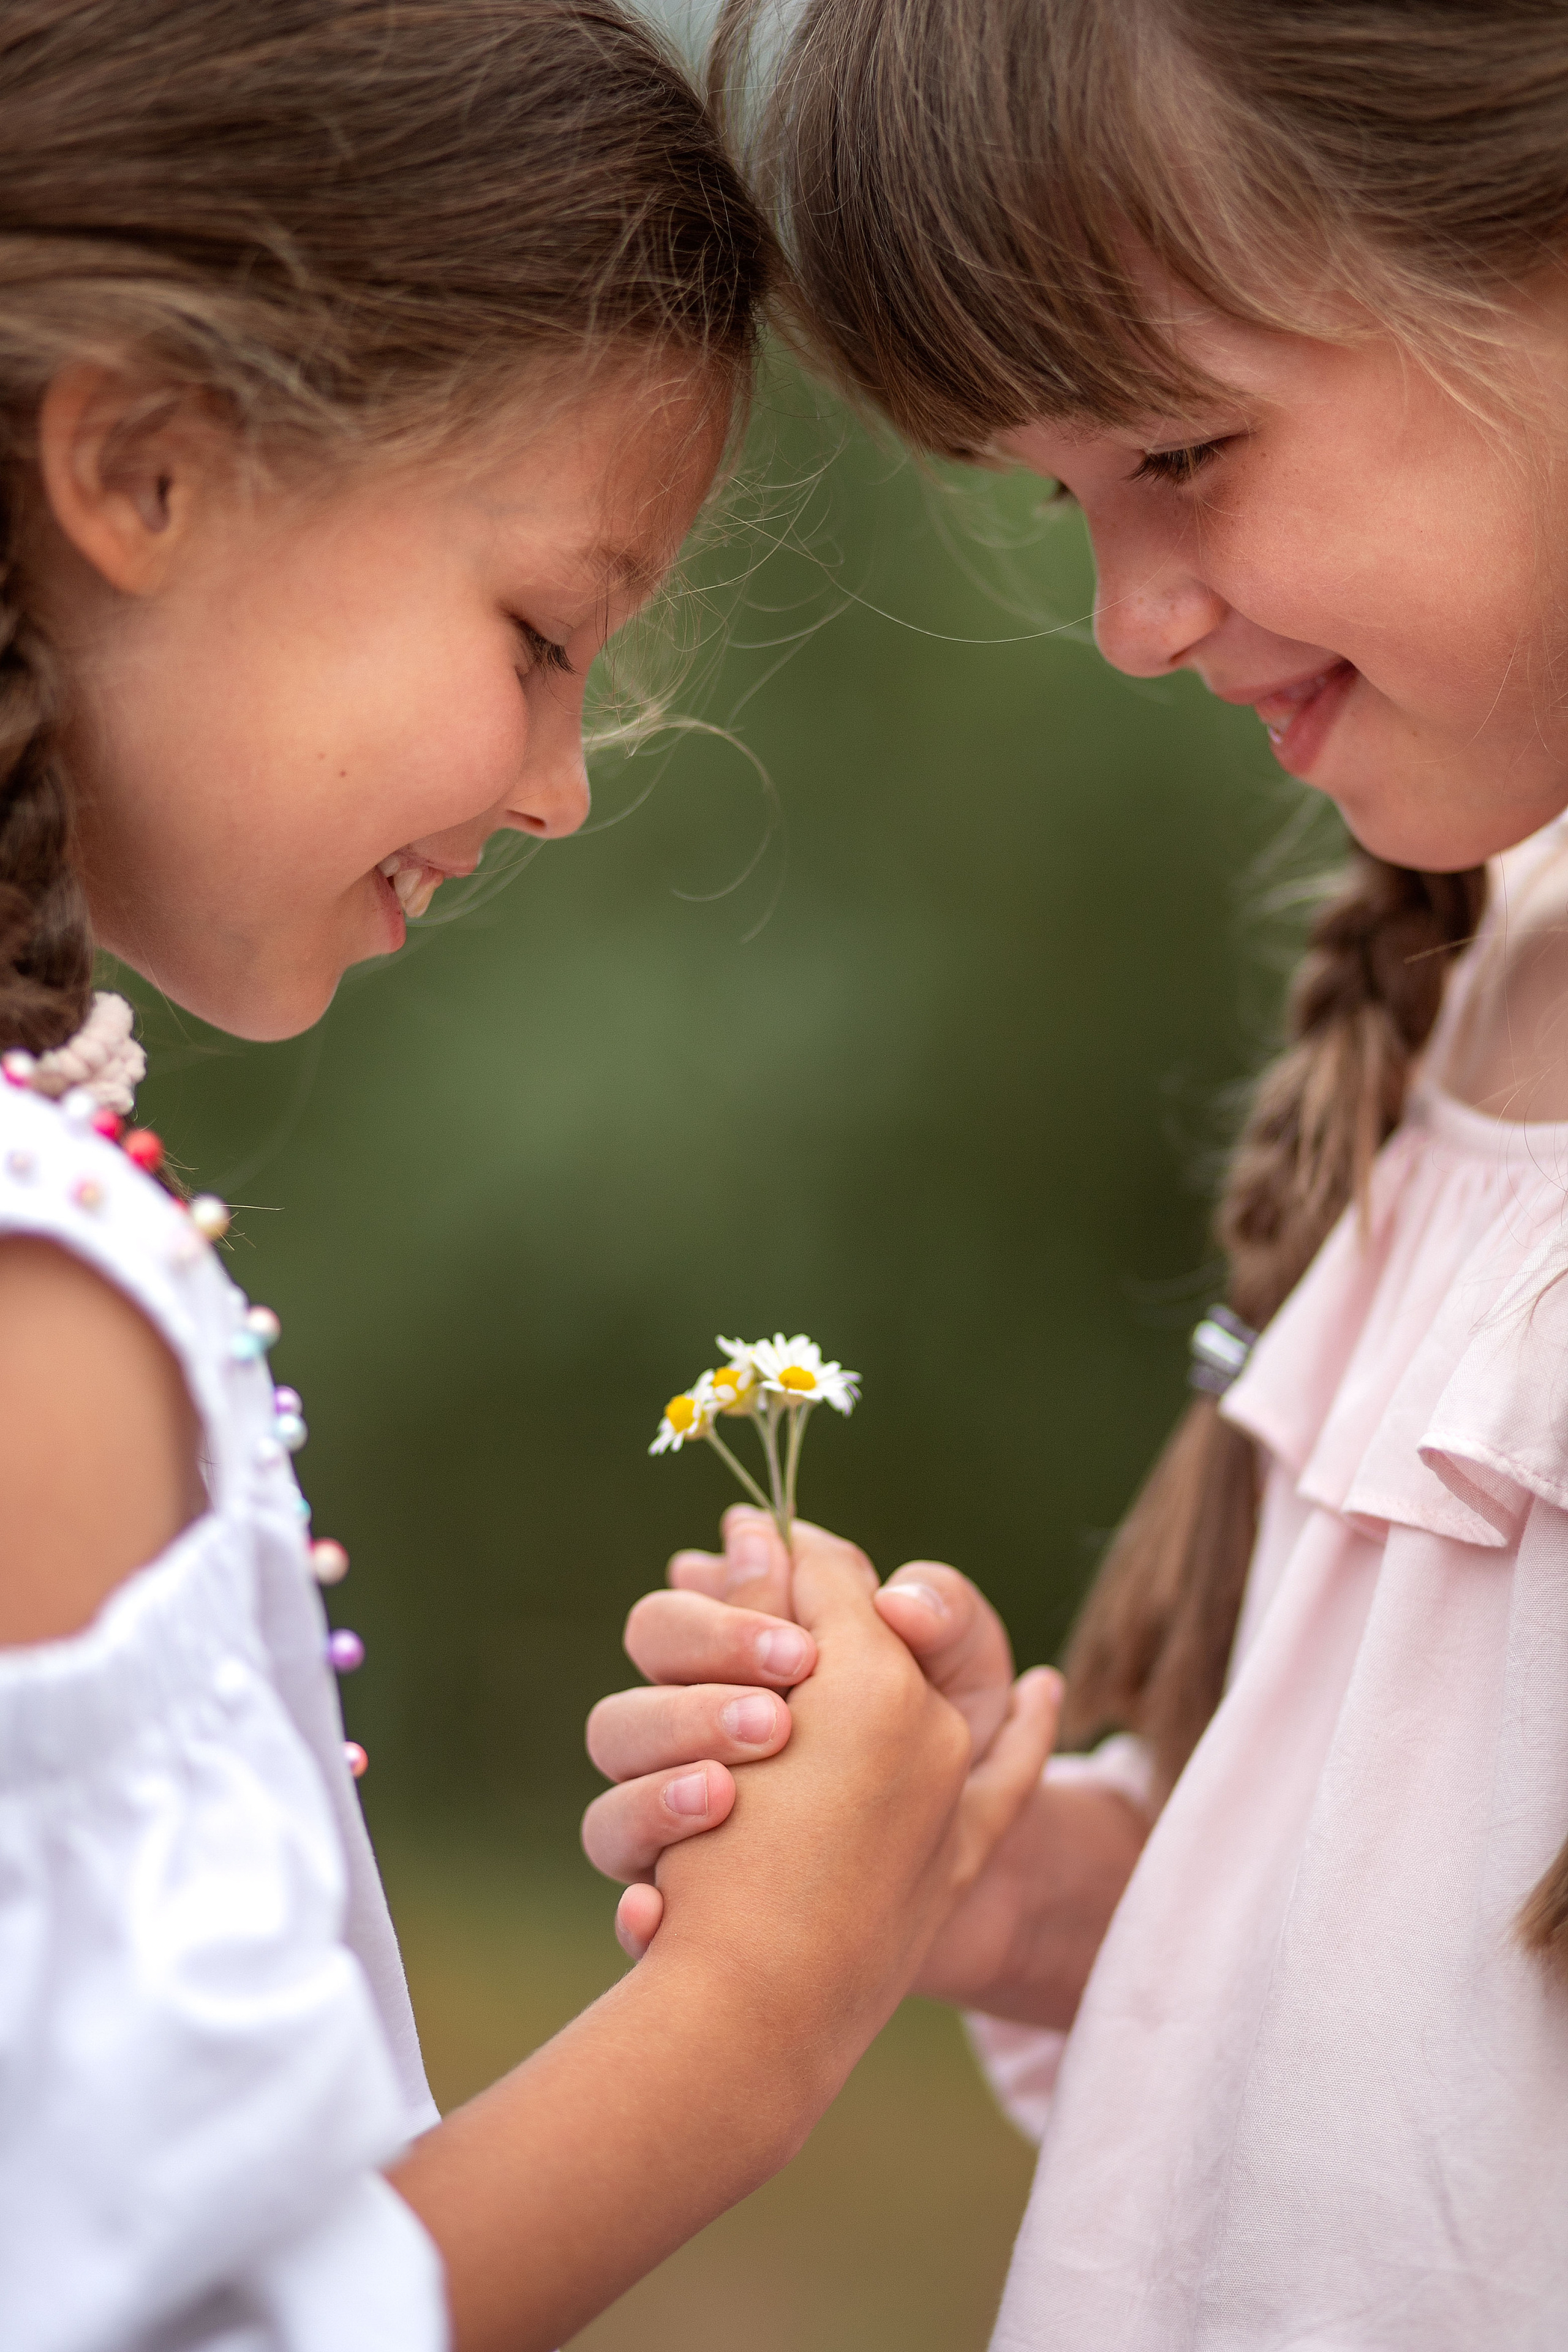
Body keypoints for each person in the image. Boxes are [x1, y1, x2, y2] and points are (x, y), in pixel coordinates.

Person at [0, 7, 1064, 2350]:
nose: (566, 783)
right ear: (145, 465)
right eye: (542, 635)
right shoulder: (35, 1298)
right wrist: (760, 2020)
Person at [584, 2, 1568, 2341]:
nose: (1132, 622)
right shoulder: (1479, 975)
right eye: (1067, 497)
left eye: (1187, 451)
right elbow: (1437, 2001)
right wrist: (1011, 1883)